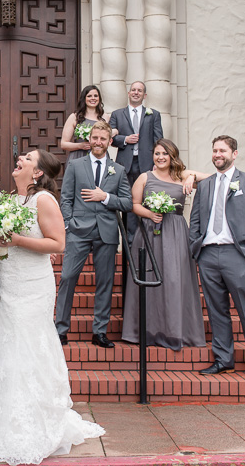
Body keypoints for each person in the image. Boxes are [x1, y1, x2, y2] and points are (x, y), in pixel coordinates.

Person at [0, 148, 105, 465]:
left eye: (28, 158)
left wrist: (16, 239)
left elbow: (57, 244)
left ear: (38, 172)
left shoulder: (44, 200)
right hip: (7, 282)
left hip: (32, 286)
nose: (20, 159)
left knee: (27, 347)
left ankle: (32, 423)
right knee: (3, 347)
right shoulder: (8, 200)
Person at [189, 135, 245, 379]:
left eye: (222, 150)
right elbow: (195, 221)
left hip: (237, 254)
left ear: (234, 154)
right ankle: (224, 359)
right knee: (216, 310)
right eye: (214, 150)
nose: (217, 154)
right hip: (209, 254)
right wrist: (196, 249)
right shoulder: (205, 185)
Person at [121, 139, 206, 349]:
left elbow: (213, 179)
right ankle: (147, 331)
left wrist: (192, 176)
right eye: (157, 153)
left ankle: (176, 331)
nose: (160, 157)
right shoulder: (144, 177)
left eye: (165, 154)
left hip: (176, 233)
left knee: (175, 279)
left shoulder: (181, 176)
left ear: (172, 156)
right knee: (149, 278)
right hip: (150, 233)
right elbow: (133, 205)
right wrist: (150, 213)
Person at [55, 121, 132, 348]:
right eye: (95, 138)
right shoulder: (76, 166)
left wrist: (105, 197)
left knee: (105, 282)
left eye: (102, 139)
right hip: (78, 230)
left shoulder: (118, 170)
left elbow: (127, 202)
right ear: (90, 140)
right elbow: (66, 198)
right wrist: (68, 225)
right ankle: (61, 329)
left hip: (106, 233)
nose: (98, 142)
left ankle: (99, 331)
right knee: (68, 278)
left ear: (109, 142)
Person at [108, 81, 164, 239]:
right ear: (128, 93)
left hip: (146, 165)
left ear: (144, 95)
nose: (136, 93)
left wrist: (157, 163)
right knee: (128, 201)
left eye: (139, 91)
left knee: (147, 200)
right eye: (133, 90)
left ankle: (148, 237)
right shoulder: (117, 114)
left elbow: (158, 140)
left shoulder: (153, 114)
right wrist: (125, 139)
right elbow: (110, 138)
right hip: (125, 165)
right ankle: (130, 239)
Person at [60, 85, 105, 163]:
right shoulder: (74, 117)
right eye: (89, 96)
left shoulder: (105, 117)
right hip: (79, 155)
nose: (93, 98)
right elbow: (63, 144)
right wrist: (80, 146)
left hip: (99, 156)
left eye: (96, 96)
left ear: (99, 99)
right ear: (84, 99)